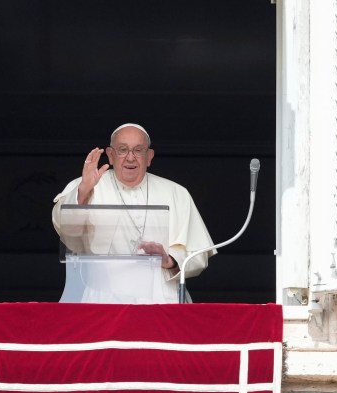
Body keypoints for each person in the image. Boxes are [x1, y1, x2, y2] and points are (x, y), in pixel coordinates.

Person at [52, 123, 215, 303]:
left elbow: (198, 254)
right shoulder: (87, 185)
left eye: (138, 150)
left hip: (161, 298)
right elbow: (65, 230)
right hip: (103, 297)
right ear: (110, 155)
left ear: (149, 157)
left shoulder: (177, 193)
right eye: (122, 150)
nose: (130, 158)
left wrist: (169, 260)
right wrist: (83, 191)